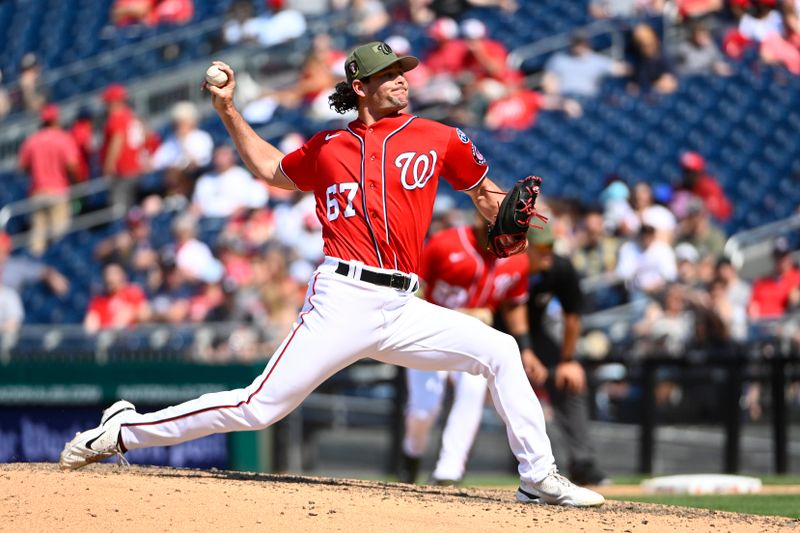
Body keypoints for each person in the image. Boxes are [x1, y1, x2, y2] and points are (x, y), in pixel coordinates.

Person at [60, 41, 604, 508]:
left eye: (403, 73)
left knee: (501, 351)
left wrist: (506, 216)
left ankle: (537, 478)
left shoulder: (440, 137)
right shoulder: (328, 148)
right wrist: (228, 111)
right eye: (388, 75)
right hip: (342, 297)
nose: (402, 82)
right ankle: (122, 430)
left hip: (402, 306)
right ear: (360, 85)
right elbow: (272, 170)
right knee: (258, 407)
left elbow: (487, 196)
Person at [398, 213, 531, 485]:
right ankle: (411, 454)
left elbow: (515, 304)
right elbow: (413, 289)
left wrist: (526, 348)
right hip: (428, 333)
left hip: (473, 341)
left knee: (472, 393)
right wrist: (461, 313)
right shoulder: (445, 243)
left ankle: (449, 471)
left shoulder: (516, 259)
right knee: (424, 411)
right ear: (481, 221)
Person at [511, 225, 608, 486]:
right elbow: (507, 309)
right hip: (494, 328)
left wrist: (567, 361)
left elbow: (572, 318)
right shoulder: (507, 264)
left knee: (571, 380)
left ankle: (583, 462)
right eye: (541, 247)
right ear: (525, 247)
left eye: (550, 246)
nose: (548, 252)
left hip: (534, 332)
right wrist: (522, 351)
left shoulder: (560, 268)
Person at [17, 104, 81, 256]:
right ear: (56, 120)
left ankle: (37, 264)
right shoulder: (63, 138)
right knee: (59, 234)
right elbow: (72, 165)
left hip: (37, 192)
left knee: (38, 239)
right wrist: (76, 183)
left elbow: (22, 167)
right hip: (58, 191)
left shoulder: (32, 140)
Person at [542, 30, 630, 99]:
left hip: (588, 101)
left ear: (586, 42)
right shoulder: (558, 59)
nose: (578, 45)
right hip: (565, 98)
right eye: (576, 42)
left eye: (580, 42)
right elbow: (548, 82)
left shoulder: (596, 60)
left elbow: (620, 69)